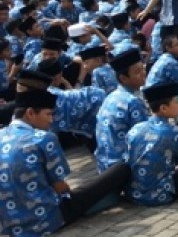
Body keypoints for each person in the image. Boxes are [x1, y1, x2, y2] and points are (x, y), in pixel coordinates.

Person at [0, 88, 131, 236]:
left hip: (10, 225)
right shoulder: (43, 138)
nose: (51, 120)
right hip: (45, 220)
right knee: (120, 169)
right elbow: (60, 187)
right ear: (30, 113)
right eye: (49, 114)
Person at [94, 49, 149, 172]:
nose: (143, 73)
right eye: (138, 71)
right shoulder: (132, 101)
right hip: (125, 168)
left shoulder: (111, 97)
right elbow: (145, 139)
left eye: (143, 68)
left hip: (105, 167)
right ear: (123, 78)